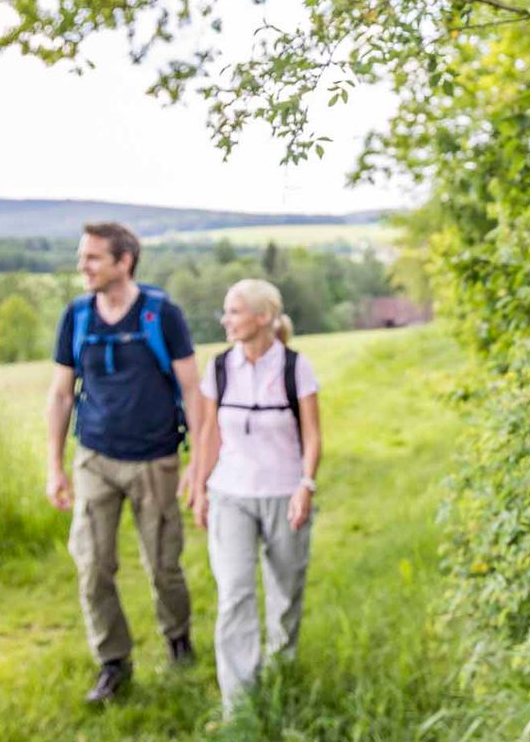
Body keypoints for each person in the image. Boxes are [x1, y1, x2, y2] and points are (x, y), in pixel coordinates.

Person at [46, 222, 204, 704]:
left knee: (163, 565)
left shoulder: (161, 315)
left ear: (124, 261)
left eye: (93, 257)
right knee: (92, 565)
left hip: (154, 459)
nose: (83, 266)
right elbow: (60, 393)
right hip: (94, 457)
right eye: (82, 256)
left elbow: (193, 389)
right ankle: (113, 664)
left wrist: (197, 463)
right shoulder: (76, 317)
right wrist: (55, 464)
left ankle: (178, 641)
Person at [187, 277, 323, 712]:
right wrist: (200, 486)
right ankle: (240, 704)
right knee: (235, 593)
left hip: (284, 493)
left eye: (234, 311)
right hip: (231, 494)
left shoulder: (295, 367)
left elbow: (313, 434)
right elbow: (208, 433)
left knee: (285, 593)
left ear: (263, 317)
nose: (226, 320)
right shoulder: (220, 368)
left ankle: (281, 673)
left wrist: (306, 485)